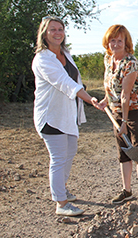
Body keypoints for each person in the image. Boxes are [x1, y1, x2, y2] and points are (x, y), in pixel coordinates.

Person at [32, 16, 100, 216]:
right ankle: (61, 203)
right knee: (59, 158)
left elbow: (76, 79)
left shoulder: (65, 53)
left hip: (67, 115)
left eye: (60, 29)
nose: (57, 33)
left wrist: (91, 98)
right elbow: (65, 83)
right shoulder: (43, 59)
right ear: (44, 34)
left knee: (70, 153)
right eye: (53, 29)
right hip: (51, 117)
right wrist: (89, 99)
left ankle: (62, 189)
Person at [98, 25, 138, 204]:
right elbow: (108, 84)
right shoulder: (108, 59)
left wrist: (124, 123)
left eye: (120, 40)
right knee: (123, 151)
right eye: (112, 40)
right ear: (108, 42)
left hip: (136, 110)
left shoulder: (131, 63)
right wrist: (106, 100)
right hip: (117, 111)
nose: (116, 44)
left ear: (126, 42)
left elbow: (125, 95)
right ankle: (126, 190)